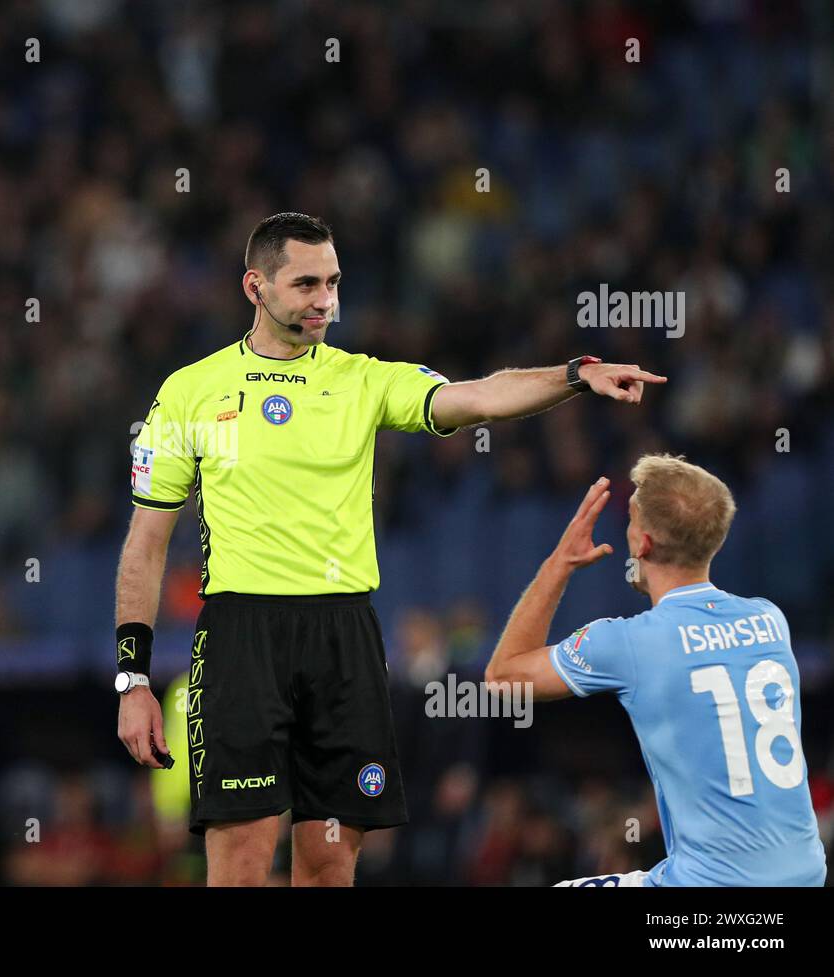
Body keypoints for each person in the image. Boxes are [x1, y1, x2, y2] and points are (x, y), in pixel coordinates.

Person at [113, 212, 665, 886]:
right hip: (241, 635)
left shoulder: (363, 379)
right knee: (241, 864)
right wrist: (133, 678)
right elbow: (145, 542)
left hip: (344, 633)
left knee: (328, 861)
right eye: (307, 283)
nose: (326, 300)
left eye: (335, 282)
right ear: (254, 286)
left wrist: (575, 372)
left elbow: (479, 397)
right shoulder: (191, 391)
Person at [485, 455, 826, 886]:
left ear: (641, 543)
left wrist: (560, 563)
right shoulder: (769, 620)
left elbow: (502, 678)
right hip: (805, 875)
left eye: (629, 520)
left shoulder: (629, 642)